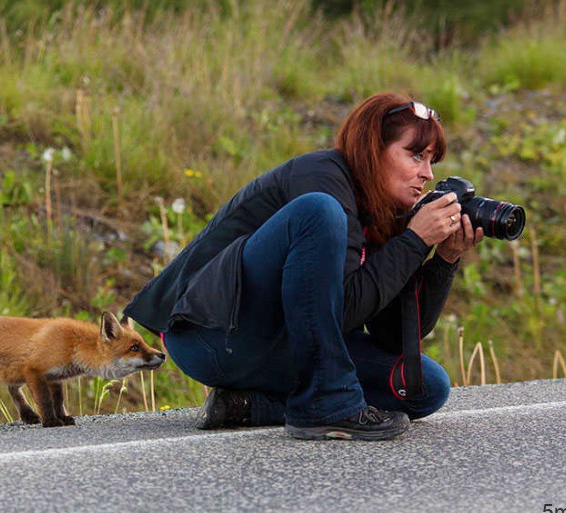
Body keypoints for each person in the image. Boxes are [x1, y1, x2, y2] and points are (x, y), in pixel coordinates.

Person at [124, 92, 484, 440]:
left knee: (422, 386)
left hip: (284, 345)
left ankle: (251, 406)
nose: (426, 174)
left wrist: (444, 259)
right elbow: (342, 310)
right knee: (318, 210)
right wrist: (414, 241)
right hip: (212, 337)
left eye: (431, 162)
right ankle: (327, 404)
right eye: (416, 155)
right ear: (373, 151)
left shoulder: (382, 209)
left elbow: (391, 335)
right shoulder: (321, 177)